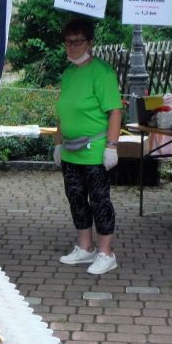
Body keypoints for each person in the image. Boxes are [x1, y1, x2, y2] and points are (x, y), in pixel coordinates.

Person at [54, 18, 122, 275]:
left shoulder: (102, 72)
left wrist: (111, 146)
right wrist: (58, 143)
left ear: (90, 43)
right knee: (76, 199)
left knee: (100, 201)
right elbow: (64, 111)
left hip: (95, 151)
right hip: (71, 151)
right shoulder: (69, 73)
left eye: (77, 41)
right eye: (68, 42)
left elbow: (115, 111)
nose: (71, 47)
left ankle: (106, 253)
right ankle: (86, 247)